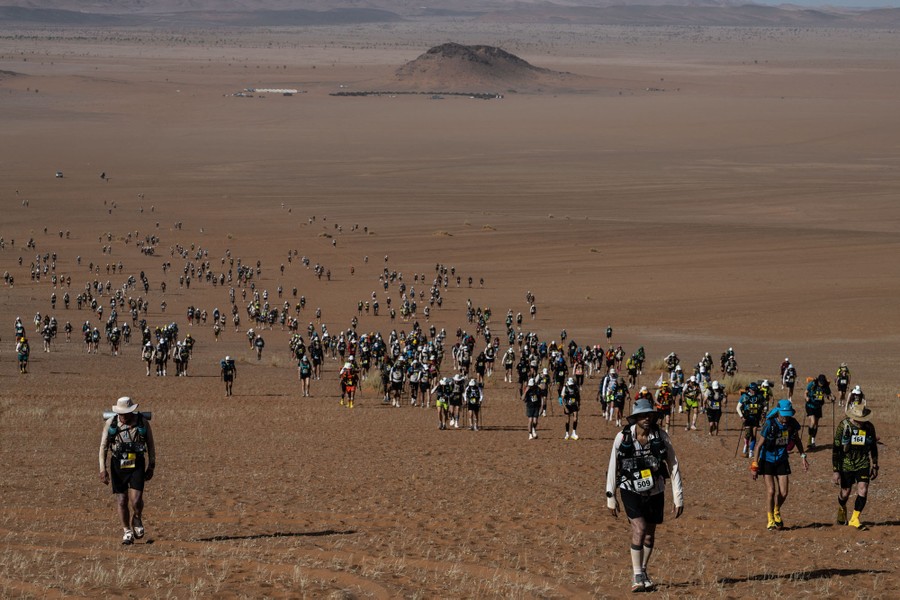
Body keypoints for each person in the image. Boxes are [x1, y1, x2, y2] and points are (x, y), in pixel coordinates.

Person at [605, 398, 683, 593]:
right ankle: (637, 574)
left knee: (649, 535)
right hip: (629, 488)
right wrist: (610, 496)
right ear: (635, 418)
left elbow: (673, 464)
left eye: (650, 415)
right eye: (642, 415)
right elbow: (613, 465)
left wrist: (678, 496)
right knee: (639, 529)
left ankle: (644, 570)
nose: (647, 418)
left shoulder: (662, 437)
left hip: (655, 490)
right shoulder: (622, 438)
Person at [99, 396, 156, 545]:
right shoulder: (111, 423)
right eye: (121, 414)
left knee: (136, 500)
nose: (123, 416)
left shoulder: (142, 423)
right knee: (122, 500)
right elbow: (103, 446)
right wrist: (102, 469)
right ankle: (127, 531)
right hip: (118, 464)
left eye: (126, 413)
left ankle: (137, 517)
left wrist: (151, 465)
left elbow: (150, 444)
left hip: (137, 463)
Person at [751, 399, 807, 530]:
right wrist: (754, 465)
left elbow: (797, 440)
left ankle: (776, 510)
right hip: (767, 460)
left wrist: (803, 456)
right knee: (771, 491)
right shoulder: (769, 424)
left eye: (788, 415)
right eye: (783, 415)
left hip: (782, 460)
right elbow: (758, 446)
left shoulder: (792, 424)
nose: (785, 418)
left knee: (784, 492)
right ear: (778, 413)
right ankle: (770, 519)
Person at [833, 403, 879, 530]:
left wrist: (875, 465)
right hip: (846, 463)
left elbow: (873, 447)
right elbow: (836, 449)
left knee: (863, 489)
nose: (861, 423)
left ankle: (854, 518)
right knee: (845, 492)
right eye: (859, 420)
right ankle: (842, 507)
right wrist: (836, 470)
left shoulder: (869, 427)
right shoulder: (843, 426)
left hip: (862, 462)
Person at [737, 382, 765, 458]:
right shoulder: (744, 396)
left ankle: (751, 451)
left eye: (755, 389)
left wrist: (764, 413)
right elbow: (738, 407)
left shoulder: (759, 396)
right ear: (749, 389)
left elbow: (764, 405)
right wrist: (742, 417)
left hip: (756, 418)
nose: (754, 391)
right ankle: (746, 445)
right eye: (752, 389)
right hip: (747, 418)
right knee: (747, 434)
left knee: (754, 434)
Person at [805, 374, 833, 448]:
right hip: (810, 405)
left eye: (823, 383)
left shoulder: (826, 386)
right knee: (813, 421)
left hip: (818, 406)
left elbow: (828, 395)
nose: (821, 384)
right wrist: (806, 397)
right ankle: (809, 438)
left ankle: (813, 440)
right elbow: (805, 392)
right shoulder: (812, 384)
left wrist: (832, 398)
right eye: (820, 382)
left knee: (816, 423)